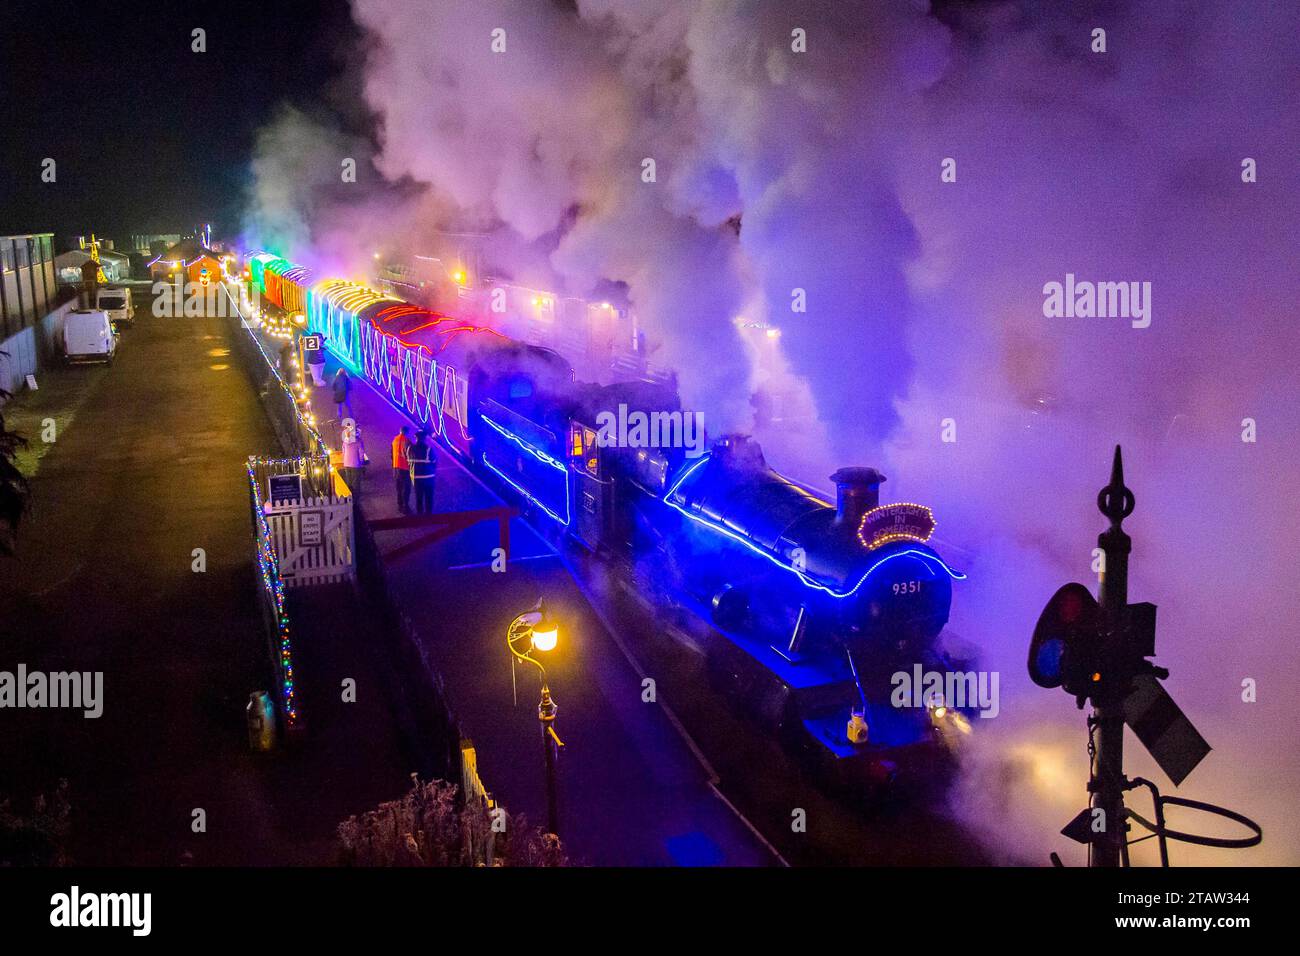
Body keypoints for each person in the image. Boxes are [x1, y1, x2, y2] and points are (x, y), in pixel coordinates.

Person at [408, 429, 437, 514]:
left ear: (416, 438)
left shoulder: (410, 448)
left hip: (416, 478)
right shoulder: (429, 449)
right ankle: (429, 515)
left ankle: (420, 515)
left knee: (418, 497)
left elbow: (408, 460)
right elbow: (434, 461)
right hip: (429, 478)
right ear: (424, 439)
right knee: (429, 497)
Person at [340, 419, 367, 498]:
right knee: (356, 482)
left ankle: (349, 497)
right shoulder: (358, 441)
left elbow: (343, 452)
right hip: (355, 464)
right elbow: (361, 453)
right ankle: (356, 498)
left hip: (346, 463)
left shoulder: (345, 442)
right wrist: (361, 462)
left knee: (349, 481)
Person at [391, 425, 412, 515]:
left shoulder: (394, 440)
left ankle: (399, 505)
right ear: (406, 432)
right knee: (406, 488)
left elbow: (391, 454)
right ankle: (405, 507)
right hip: (405, 468)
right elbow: (410, 455)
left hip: (396, 467)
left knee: (398, 488)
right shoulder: (407, 441)